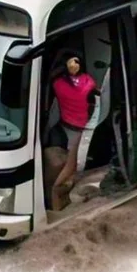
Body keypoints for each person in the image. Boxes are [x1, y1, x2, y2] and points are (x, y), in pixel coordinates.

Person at [50, 50, 99, 210]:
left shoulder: (57, 84)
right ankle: (59, 195)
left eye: (75, 61)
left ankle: (58, 199)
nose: (74, 65)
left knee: (70, 170)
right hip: (78, 131)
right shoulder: (88, 82)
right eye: (71, 62)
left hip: (70, 130)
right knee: (73, 168)